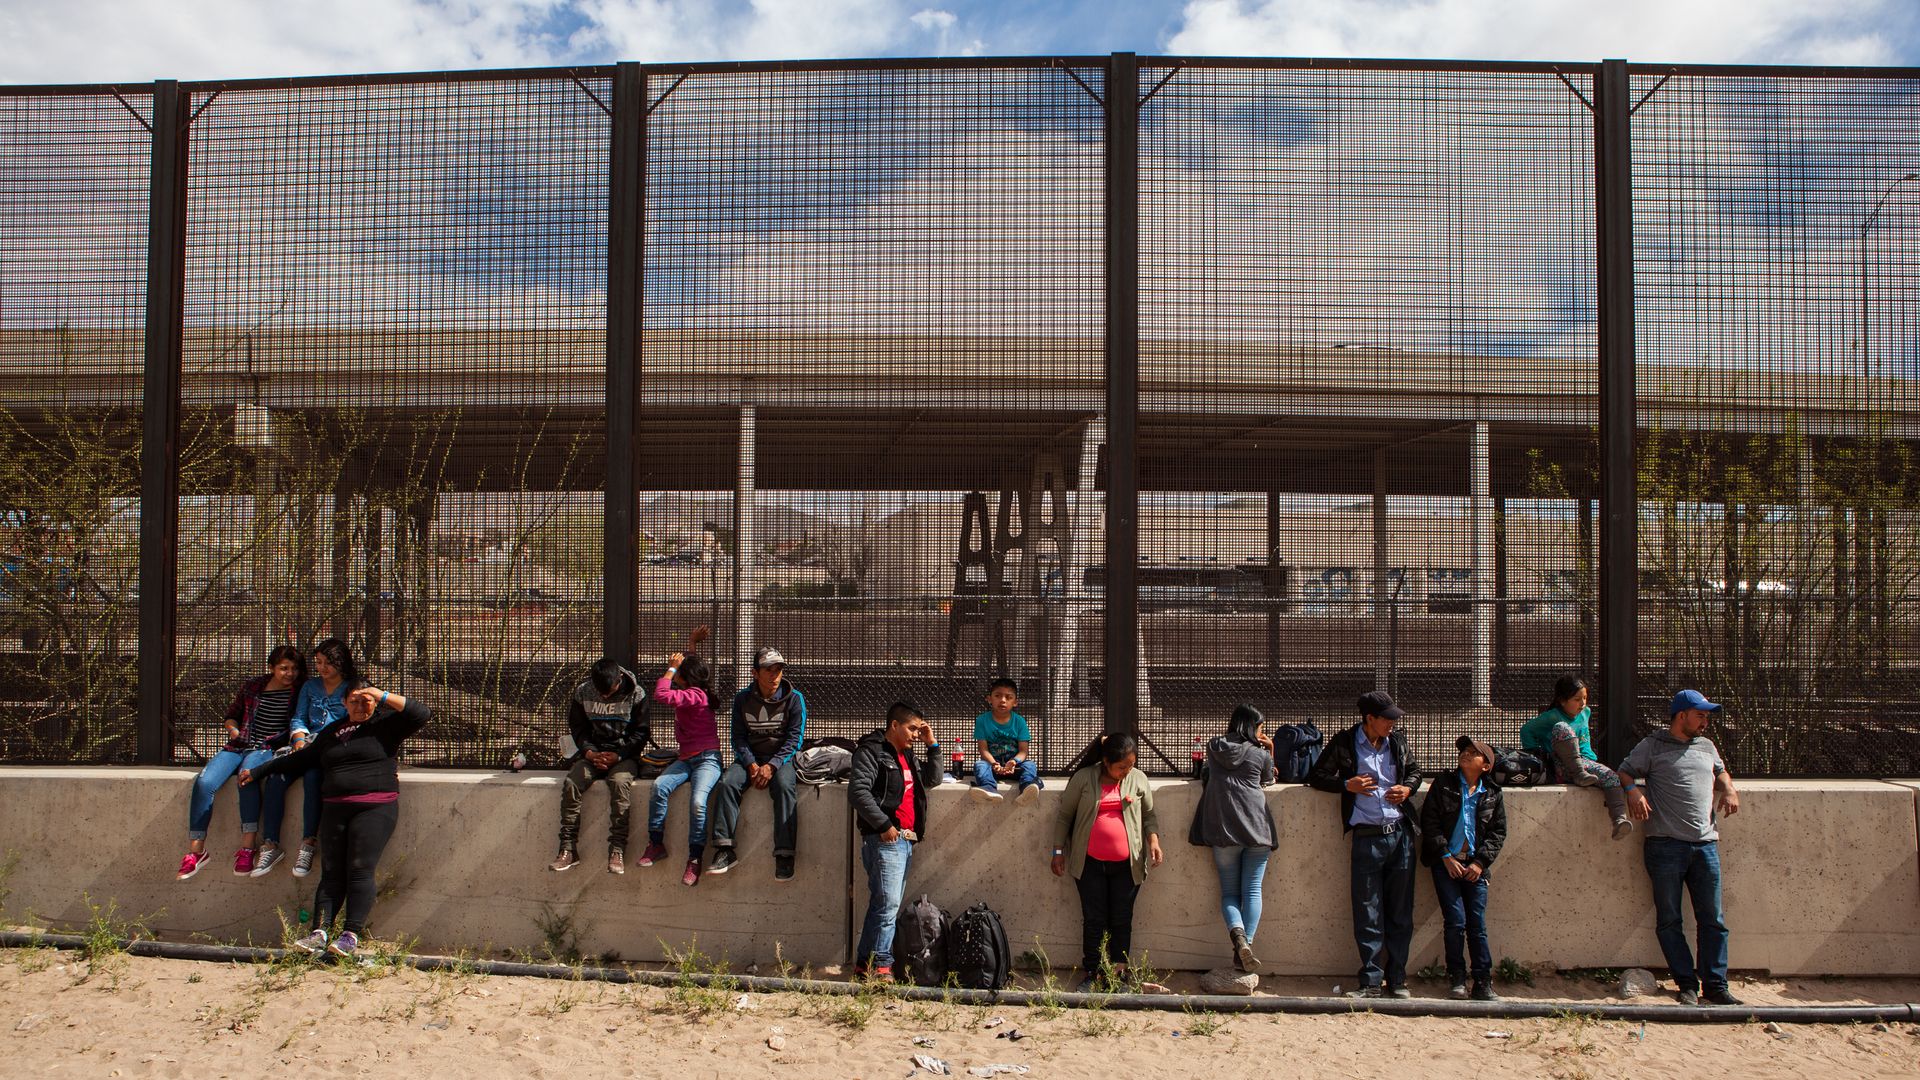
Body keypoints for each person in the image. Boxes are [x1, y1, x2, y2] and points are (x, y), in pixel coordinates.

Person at [241, 681, 429, 961]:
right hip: (335, 809)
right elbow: (301, 759)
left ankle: (350, 935)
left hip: (375, 808)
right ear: (343, 703)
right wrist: (258, 771)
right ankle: (319, 933)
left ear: (375, 702)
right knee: (330, 872)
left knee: (360, 869)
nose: (360, 705)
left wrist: (381, 695)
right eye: (353, 700)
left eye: (366, 700)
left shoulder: (386, 724)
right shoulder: (333, 731)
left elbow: (421, 714)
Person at [1619, 689, 1743, 1007]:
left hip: (1705, 845)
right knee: (1670, 919)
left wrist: (1728, 787)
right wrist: (1633, 792)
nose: (1705, 721)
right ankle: (1686, 983)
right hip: (1665, 845)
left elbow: (1720, 770)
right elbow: (1625, 771)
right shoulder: (1654, 745)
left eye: (1706, 716)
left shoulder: (1707, 746)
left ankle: (1715, 985)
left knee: (1713, 919)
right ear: (1681, 716)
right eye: (1700, 715)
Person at [1307, 690, 1424, 999]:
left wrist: (1407, 789)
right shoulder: (1345, 742)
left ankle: (1397, 979)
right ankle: (1371, 981)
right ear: (1369, 718)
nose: (1392, 724)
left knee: (1400, 911)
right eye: (1387, 719)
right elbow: (1316, 775)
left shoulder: (1396, 742)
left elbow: (1414, 771)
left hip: (1399, 835)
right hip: (1366, 837)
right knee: (1367, 910)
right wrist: (1348, 785)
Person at [177, 646, 307, 880]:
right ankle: (196, 851)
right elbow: (232, 714)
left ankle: (247, 848)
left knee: (246, 777)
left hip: (267, 748)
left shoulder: (300, 692)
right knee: (205, 782)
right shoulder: (253, 686)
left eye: (294, 669)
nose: (290, 674)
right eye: (284, 668)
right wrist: (232, 729)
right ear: (272, 668)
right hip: (238, 744)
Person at [1052, 731, 1163, 992]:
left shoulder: (1138, 780)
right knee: (1094, 920)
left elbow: (1149, 815)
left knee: (1122, 919)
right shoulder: (1084, 778)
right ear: (1105, 761)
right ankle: (1094, 973)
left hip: (1128, 866)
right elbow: (1064, 816)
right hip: (1089, 864)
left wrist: (1154, 841)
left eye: (1131, 766)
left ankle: (1119, 974)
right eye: (1121, 767)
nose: (1127, 771)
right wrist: (1057, 852)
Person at [848, 700, 941, 980]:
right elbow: (858, 792)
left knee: (882, 905)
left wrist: (932, 745)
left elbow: (933, 779)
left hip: (905, 841)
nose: (915, 734)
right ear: (894, 725)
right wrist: (885, 825)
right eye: (912, 729)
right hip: (886, 840)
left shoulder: (908, 755)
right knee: (888, 906)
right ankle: (882, 967)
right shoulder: (872, 751)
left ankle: (864, 965)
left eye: (918, 730)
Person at [1418, 735, 1508, 1001]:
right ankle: (1457, 978)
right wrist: (1446, 856)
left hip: (1475, 868)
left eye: (1473, 753)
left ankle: (1483, 981)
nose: (1466, 755)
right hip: (1447, 864)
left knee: (1477, 925)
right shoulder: (1444, 785)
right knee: (1455, 922)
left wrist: (1480, 863)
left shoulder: (1492, 793)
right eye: (1464, 751)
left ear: (1486, 766)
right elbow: (1430, 822)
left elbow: (1498, 833)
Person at [709, 646, 807, 881]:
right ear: (755, 673)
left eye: (778, 670)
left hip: (780, 760)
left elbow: (795, 739)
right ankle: (724, 849)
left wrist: (772, 765)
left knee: (784, 787)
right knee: (727, 783)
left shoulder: (795, 699)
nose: (774, 675)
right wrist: (752, 764)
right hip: (748, 759)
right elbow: (738, 737)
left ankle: (784, 854)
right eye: (768, 670)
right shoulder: (742, 699)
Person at [1192, 704, 1278, 973]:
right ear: (1253, 727)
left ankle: (1238, 937)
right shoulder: (1260, 754)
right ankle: (1245, 948)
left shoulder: (1214, 746)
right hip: (1256, 827)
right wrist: (1270, 748)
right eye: (1260, 727)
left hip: (1224, 829)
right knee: (1252, 890)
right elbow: (1268, 781)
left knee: (1229, 893)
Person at [549, 656, 649, 874]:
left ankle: (617, 849)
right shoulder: (583, 692)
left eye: (610, 692)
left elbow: (641, 734)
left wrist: (619, 756)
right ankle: (567, 849)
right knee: (572, 783)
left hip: (624, 757)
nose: (604, 696)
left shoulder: (637, 694)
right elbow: (577, 727)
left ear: (620, 679)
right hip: (592, 753)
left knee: (620, 784)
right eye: (600, 692)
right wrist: (589, 752)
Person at [641, 637, 724, 886]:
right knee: (659, 787)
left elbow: (661, 693)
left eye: (680, 672)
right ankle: (656, 844)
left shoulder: (696, 695)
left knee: (698, 802)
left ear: (685, 678)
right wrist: (691, 645)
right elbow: (690, 671)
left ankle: (695, 858)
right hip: (686, 759)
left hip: (707, 759)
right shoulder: (693, 689)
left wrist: (671, 668)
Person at [285, 638, 362, 879]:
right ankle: (289, 843)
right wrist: (299, 738)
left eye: (328, 663)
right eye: (318, 662)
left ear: (341, 663)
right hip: (309, 748)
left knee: (321, 781)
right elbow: (299, 717)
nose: (322, 668)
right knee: (290, 779)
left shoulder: (354, 686)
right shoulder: (310, 687)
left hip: (339, 751)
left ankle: (318, 843)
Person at [1521, 674, 1631, 840]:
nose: (1582, 703)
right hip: (1560, 765)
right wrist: (1537, 754)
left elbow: (1584, 740)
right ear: (1562, 701)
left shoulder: (1585, 713)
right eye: (1577, 699)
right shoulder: (1553, 716)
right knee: (1562, 728)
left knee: (1611, 777)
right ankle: (1578, 773)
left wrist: (1590, 762)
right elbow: (1526, 730)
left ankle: (1619, 820)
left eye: (1585, 698)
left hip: (1583, 764)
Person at [969, 677, 1041, 806]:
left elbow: (1023, 751)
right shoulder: (982, 720)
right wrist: (993, 764)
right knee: (979, 765)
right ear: (989, 699)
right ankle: (989, 788)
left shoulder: (1019, 721)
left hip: (1014, 767)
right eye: (998, 696)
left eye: (1008, 697)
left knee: (1030, 765)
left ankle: (1027, 788)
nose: (1002, 700)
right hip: (992, 766)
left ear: (1015, 702)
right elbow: (983, 749)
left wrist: (1014, 762)